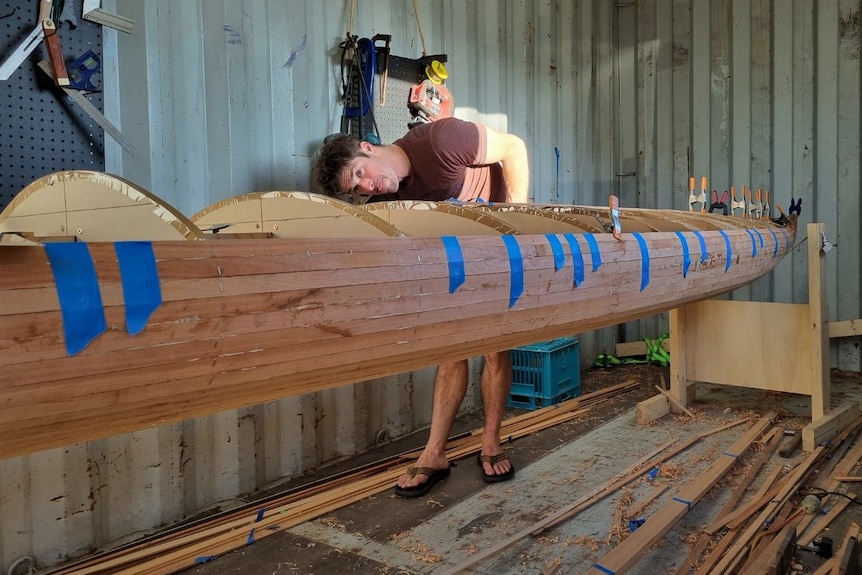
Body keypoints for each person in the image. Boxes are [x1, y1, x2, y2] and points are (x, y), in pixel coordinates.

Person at [311, 117, 530, 497]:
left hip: (497, 245)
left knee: (495, 348)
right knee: (451, 349)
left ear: (367, 147)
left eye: (361, 173)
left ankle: (491, 442)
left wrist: (515, 219)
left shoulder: (441, 141)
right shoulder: (384, 200)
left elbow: (513, 147)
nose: (367, 186)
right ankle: (435, 453)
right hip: (452, 256)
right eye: (357, 187)